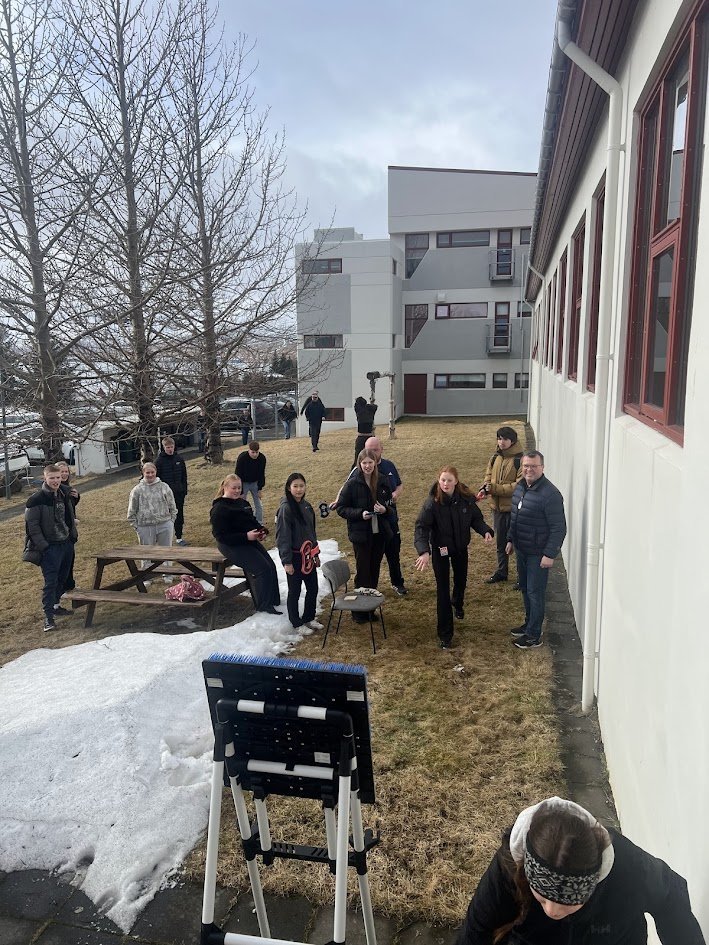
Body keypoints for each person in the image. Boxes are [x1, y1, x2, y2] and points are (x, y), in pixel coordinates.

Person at [457, 796, 705, 944]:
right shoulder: (509, 866)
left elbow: (670, 897)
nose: (553, 911)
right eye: (542, 899)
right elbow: (477, 929)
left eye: (569, 903)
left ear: (594, 883)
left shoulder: (630, 869)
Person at [414, 466, 494, 649]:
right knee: (442, 590)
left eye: (449, 480)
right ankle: (445, 634)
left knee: (460, 579)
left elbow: (475, 518)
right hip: (440, 549)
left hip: (460, 548)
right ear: (439, 480)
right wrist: (424, 551)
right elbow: (421, 528)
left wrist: (485, 531)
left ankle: (457, 603)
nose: (445, 484)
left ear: (456, 481)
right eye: (443, 480)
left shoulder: (465, 499)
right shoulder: (432, 503)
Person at [505, 450, 566, 649]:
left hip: (538, 554)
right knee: (525, 588)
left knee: (535, 592)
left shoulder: (550, 494)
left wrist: (549, 554)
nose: (529, 470)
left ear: (542, 468)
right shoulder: (521, 487)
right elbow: (515, 517)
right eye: (526, 466)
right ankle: (529, 623)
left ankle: (533, 635)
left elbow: (559, 528)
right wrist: (510, 539)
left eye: (533, 466)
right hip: (521, 549)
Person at [210, 473, 281, 614]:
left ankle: (273, 600)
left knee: (271, 566)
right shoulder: (219, 509)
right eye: (234, 488)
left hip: (247, 540)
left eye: (239, 488)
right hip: (230, 545)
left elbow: (252, 522)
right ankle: (263, 605)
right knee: (262, 569)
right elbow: (220, 536)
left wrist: (261, 530)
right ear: (225, 487)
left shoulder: (243, 503)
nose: (237, 491)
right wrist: (246, 536)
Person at [336, 449, 393, 622]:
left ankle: (370, 609)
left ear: (375, 463)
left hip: (379, 534)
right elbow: (341, 508)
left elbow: (391, 506)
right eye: (364, 463)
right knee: (363, 573)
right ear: (359, 464)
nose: (367, 466)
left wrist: (384, 510)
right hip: (361, 536)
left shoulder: (383, 480)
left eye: (370, 462)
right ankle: (358, 612)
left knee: (374, 571)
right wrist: (360, 514)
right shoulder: (352, 484)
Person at [25, 463, 78, 632]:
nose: (55, 481)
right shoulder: (36, 500)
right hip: (50, 547)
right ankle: (48, 619)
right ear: (45, 478)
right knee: (51, 582)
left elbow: (70, 514)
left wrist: (72, 537)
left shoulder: (65, 493)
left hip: (66, 543)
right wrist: (44, 547)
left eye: (58, 477)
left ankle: (56, 606)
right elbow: (32, 527)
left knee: (63, 578)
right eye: (52, 478)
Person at [275, 472, 322, 630]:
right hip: (294, 557)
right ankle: (296, 622)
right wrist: (286, 561)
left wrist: (315, 554)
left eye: (301, 486)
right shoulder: (285, 509)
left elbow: (311, 532)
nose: (299, 489)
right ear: (289, 488)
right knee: (294, 591)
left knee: (313, 588)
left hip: (308, 556)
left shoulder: (307, 506)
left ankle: (309, 617)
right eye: (295, 486)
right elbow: (283, 537)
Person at [477, 426, 524, 584]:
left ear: (513, 440)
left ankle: (522, 577)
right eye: (499, 438)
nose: (501, 442)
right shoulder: (495, 457)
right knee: (501, 542)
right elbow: (488, 476)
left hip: (514, 509)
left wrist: (494, 488)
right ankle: (502, 572)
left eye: (505, 439)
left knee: (517, 544)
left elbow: (518, 486)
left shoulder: (520, 460)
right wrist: (485, 488)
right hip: (497, 509)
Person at [126, 462, 177, 572]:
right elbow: (131, 511)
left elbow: (172, 506)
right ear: (143, 473)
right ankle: (146, 575)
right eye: (147, 473)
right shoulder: (137, 490)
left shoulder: (164, 487)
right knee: (146, 553)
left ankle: (168, 574)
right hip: (145, 526)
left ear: (156, 472)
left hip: (164, 524)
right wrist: (137, 527)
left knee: (166, 552)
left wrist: (171, 521)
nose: (150, 475)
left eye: (152, 472)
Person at [155, 436, 189, 545]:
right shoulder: (159, 461)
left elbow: (184, 476)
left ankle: (179, 537)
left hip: (179, 493)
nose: (170, 449)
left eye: (171, 447)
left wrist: (184, 490)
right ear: (164, 447)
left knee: (179, 515)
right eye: (168, 447)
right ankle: (165, 537)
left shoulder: (179, 459)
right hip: (165, 495)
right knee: (166, 516)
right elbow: (157, 479)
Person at [56, 460, 80, 594]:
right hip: (61, 532)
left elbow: (71, 506)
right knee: (63, 561)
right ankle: (62, 588)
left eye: (66, 471)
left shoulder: (68, 488)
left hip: (71, 530)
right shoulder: (56, 490)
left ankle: (70, 585)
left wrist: (76, 497)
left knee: (70, 559)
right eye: (62, 472)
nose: (64, 474)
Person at [235, 440, 266, 524]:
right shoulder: (242, 457)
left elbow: (261, 474)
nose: (255, 454)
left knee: (258, 504)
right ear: (249, 450)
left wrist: (260, 489)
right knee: (241, 504)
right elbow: (238, 474)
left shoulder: (262, 458)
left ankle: (259, 522)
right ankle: (242, 522)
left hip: (255, 483)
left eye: (257, 452)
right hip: (243, 483)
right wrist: (240, 491)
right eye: (253, 452)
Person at [352, 396, 378, 468]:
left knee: (358, 456)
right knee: (372, 455)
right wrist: (370, 403)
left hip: (361, 436)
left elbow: (356, 406)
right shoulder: (370, 410)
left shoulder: (359, 411)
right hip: (370, 436)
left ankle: (355, 468)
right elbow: (375, 406)